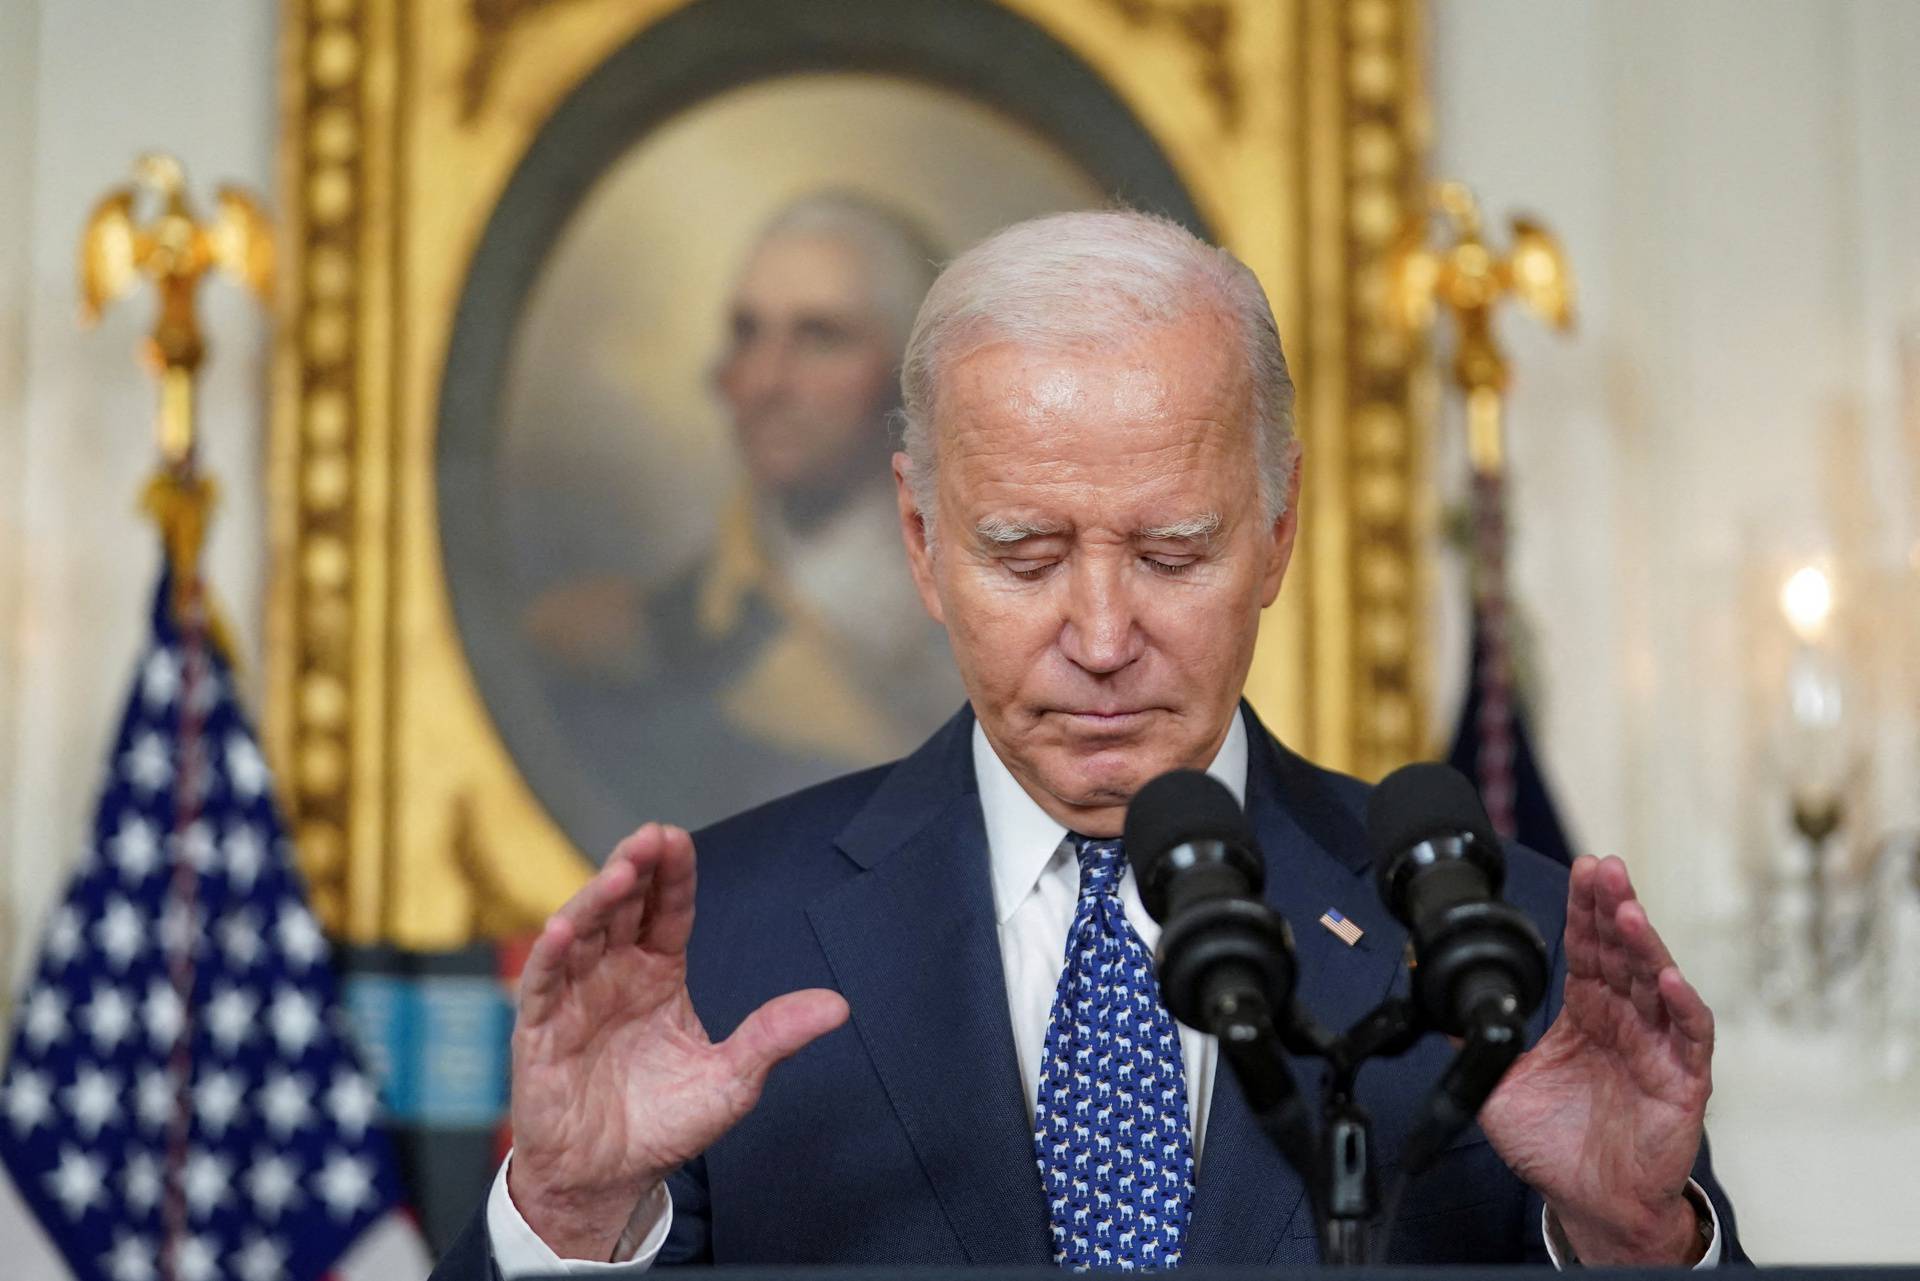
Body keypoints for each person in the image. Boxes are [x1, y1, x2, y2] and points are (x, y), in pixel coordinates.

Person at [439, 210, 1744, 1274]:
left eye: (1174, 552)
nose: (1105, 634)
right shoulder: (721, 940)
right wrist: (568, 1218)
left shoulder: (1494, 936)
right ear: (921, 540)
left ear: (1279, 531)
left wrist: (1636, 1240)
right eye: (1027, 553)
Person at [528, 193, 965, 843]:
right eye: (747, 333)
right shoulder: (629, 642)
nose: (764, 379)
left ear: (912, 374)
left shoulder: (1000, 615)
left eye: (820, 337)